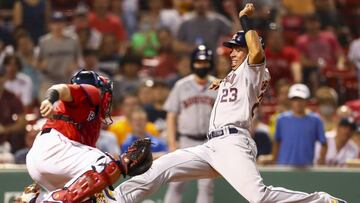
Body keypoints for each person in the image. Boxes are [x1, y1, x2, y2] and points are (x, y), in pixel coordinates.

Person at [112, 4, 346, 203]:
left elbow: (255, 54)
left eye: (237, 48)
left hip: (233, 142)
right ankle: (117, 198)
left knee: (258, 197)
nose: (231, 53)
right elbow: (239, 78)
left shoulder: (256, 68)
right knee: (163, 167)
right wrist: (222, 82)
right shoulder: (237, 74)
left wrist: (244, 19)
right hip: (210, 145)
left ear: (250, 49)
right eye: (231, 48)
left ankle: (321, 200)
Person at [24, 70, 151, 202]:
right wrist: (50, 99)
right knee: (106, 163)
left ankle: (36, 200)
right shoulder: (91, 92)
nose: (105, 95)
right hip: (54, 147)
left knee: (93, 197)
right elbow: (59, 88)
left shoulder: (91, 121)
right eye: (103, 91)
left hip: (45, 158)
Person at [163, 45, 218, 203]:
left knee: (206, 185)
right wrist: (172, 142)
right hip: (186, 140)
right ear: (193, 63)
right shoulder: (181, 85)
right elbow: (171, 115)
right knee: (176, 182)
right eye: (199, 62)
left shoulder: (217, 85)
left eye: (205, 62)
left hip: (209, 142)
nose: (202, 65)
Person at [271, 83, 328, 166]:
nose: (298, 102)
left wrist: (321, 159)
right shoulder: (281, 119)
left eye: (301, 99)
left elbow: (324, 144)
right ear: (291, 101)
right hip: (284, 167)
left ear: (307, 100)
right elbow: (276, 142)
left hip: (306, 168)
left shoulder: (316, 120)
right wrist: (274, 161)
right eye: (295, 99)